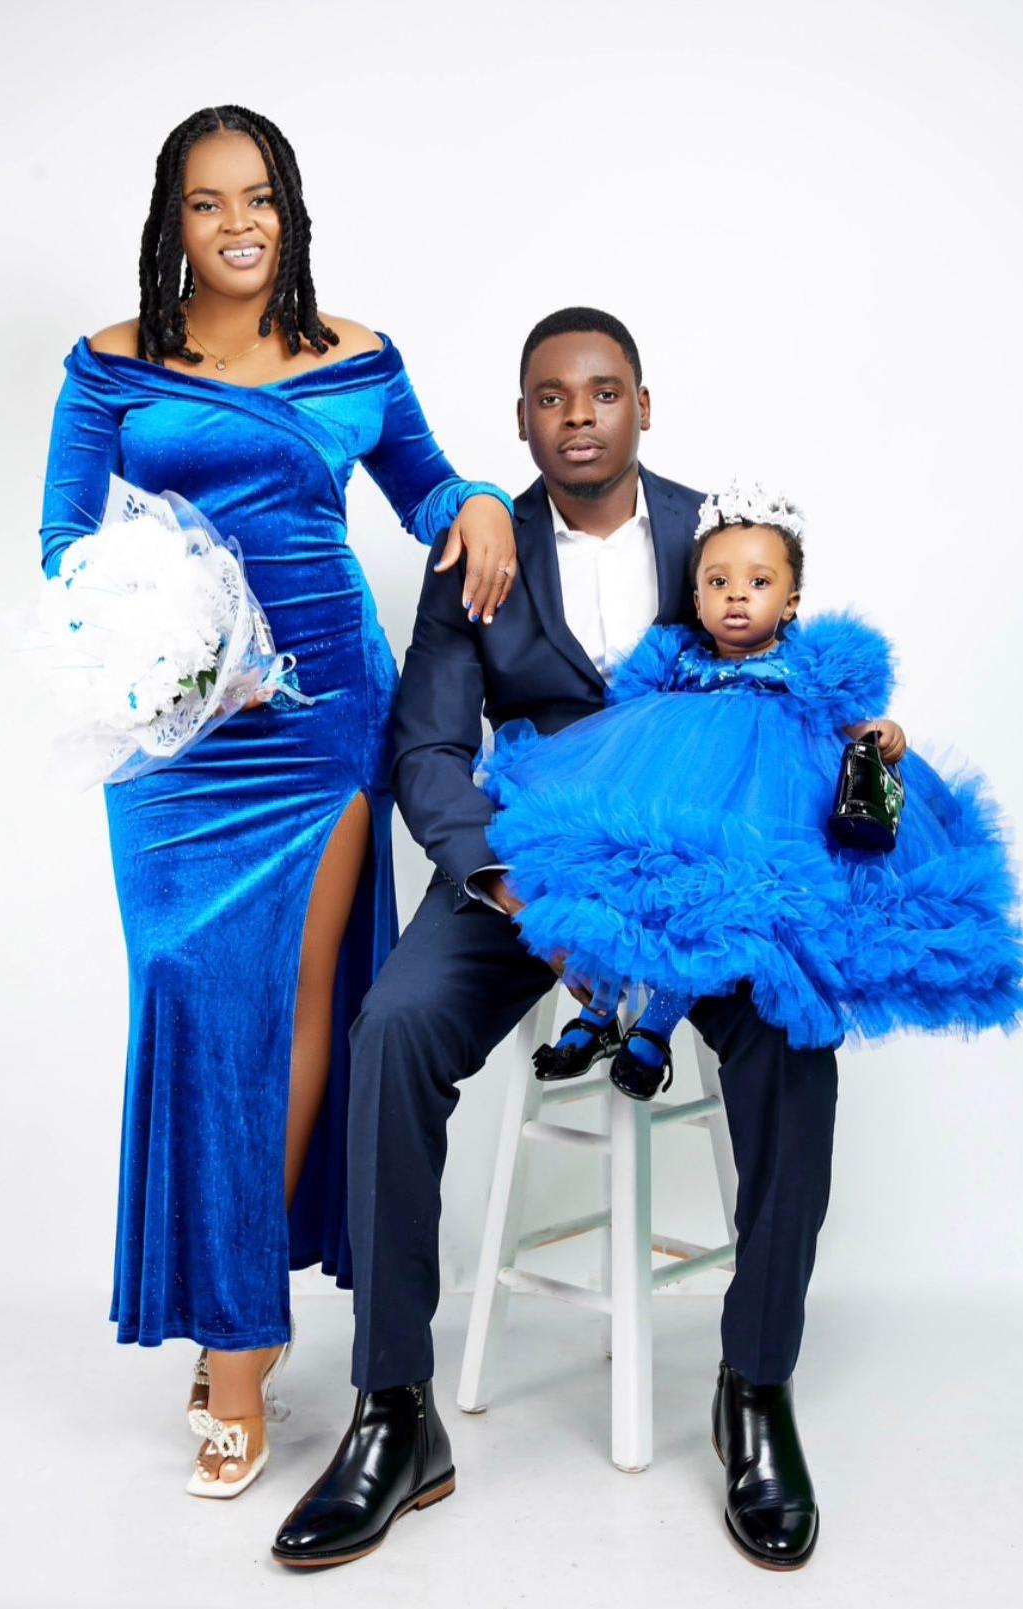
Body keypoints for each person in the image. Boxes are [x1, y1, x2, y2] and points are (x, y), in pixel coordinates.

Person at [272, 308, 904, 1571]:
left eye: (602, 392)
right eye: (551, 398)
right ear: (521, 419)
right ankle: (393, 1409)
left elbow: (792, 681)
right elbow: (429, 750)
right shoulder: (476, 552)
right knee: (390, 1030)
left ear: (641, 406)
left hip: (697, 877)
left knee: (794, 1035)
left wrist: (862, 745)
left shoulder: (716, 537)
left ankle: (753, 1387)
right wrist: (516, 891)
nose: (578, 417)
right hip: (532, 869)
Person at [37, 104, 516, 1500]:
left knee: (299, 1020)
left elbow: (426, 490)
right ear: (171, 223)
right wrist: (186, 648)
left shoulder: (357, 355)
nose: (237, 224)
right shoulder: (111, 365)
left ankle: (240, 1343)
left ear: (290, 212)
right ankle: (234, 1303)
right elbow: (68, 549)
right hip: (181, 729)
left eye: (259, 198)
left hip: (322, 726)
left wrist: (481, 499)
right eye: (208, 203)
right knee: (189, 995)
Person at [480, 492, 1022, 1114]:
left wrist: (880, 733)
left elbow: (846, 721)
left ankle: (656, 1025)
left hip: (766, 811)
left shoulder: (802, 669)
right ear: (698, 600)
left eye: (758, 583)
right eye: (719, 582)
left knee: (723, 905)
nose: (737, 595)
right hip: (678, 794)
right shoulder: (679, 666)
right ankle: (600, 1010)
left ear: (791, 602)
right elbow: (632, 723)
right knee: (625, 878)